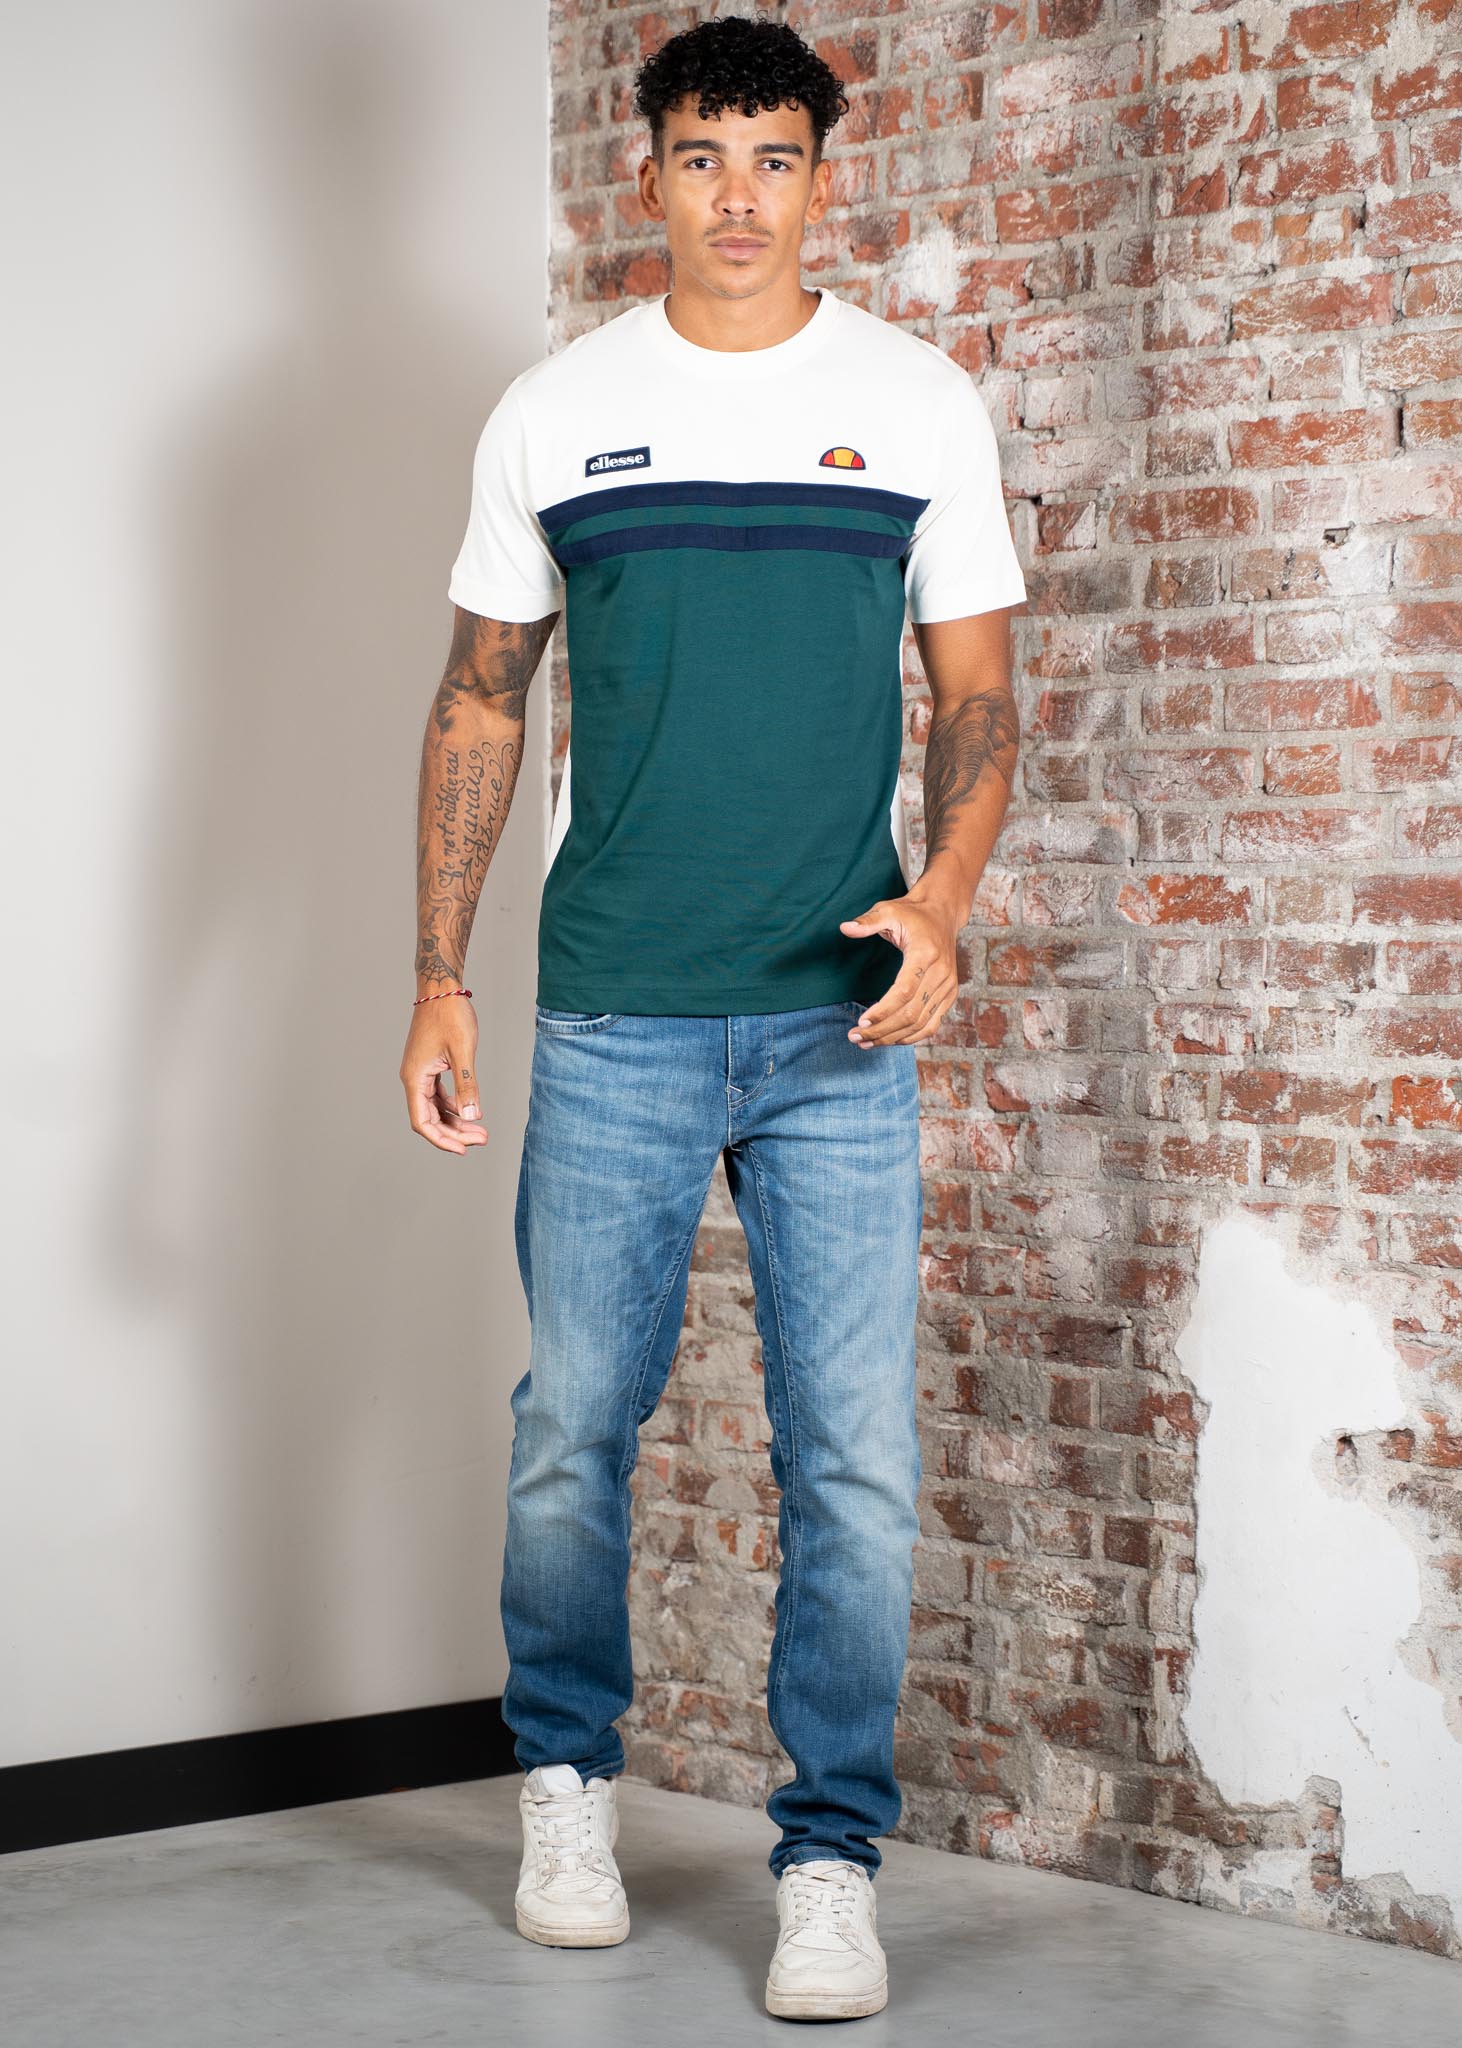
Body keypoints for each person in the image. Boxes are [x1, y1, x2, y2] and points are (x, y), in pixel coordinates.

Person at [400, 14, 1025, 2024]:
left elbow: (979, 697)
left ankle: (827, 1862)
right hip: (614, 1013)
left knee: (853, 1466)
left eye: (771, 157)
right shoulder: (555, 413)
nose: (736, 195)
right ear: (646, 175)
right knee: (570, 1435)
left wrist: (941, 904)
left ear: (822, 179)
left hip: (840, 1027)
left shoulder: (914, 404)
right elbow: (481, 696)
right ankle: (565, 1791)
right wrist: (437, 971)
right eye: (700, 155)